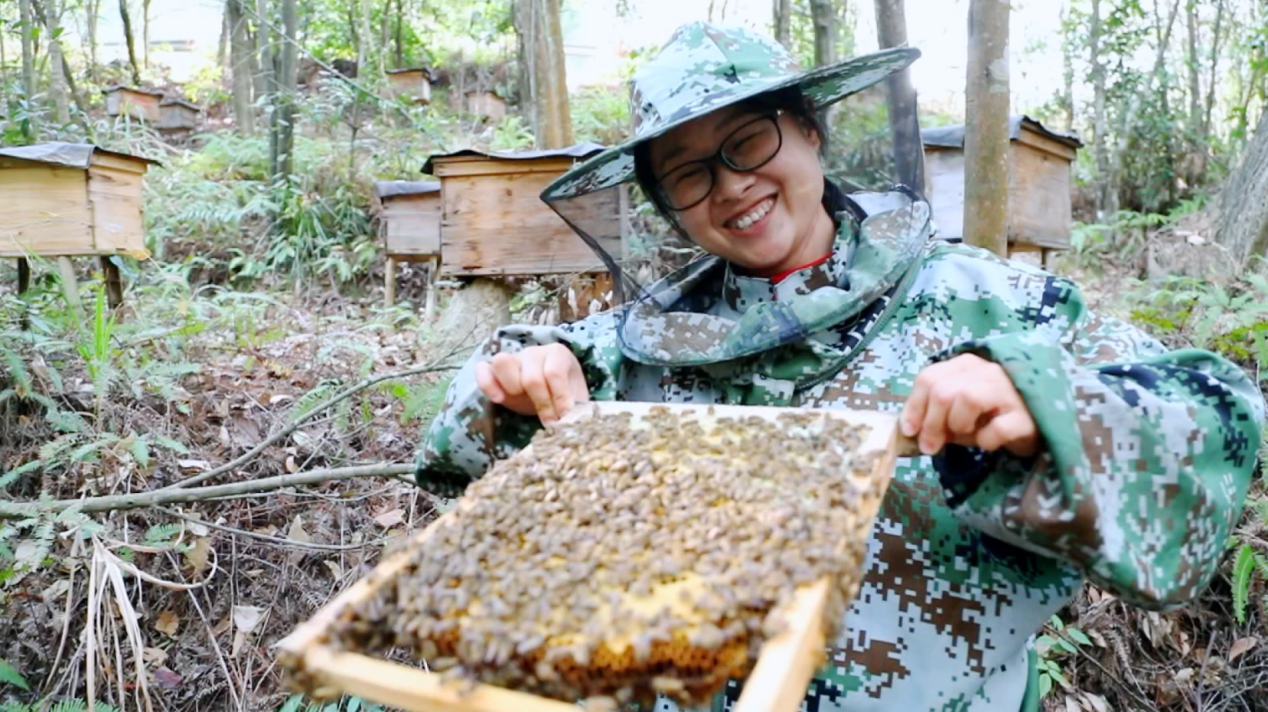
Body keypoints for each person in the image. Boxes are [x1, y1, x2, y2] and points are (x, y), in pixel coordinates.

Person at [414, 22, 1264, 712]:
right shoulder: (643, 341)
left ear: (811, 131)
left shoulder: (993, 302)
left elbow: (1219, 414)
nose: (730, 186)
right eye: (688, 174)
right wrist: (510, 383)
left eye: (748, 140)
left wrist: (1038, 397)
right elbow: (458, 447)